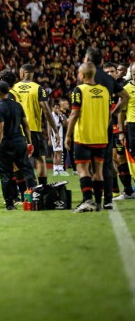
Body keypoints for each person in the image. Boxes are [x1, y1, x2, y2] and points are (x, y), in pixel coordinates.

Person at [83, 47, 130, 210]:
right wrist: (113, 112)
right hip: (106, 124)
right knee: (107, 162)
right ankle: (108, 199)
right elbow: (125, 96)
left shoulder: (86, 75)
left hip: (88, 124)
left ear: (88, 60)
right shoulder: (109, 79)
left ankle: (91, 199)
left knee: (89, 163)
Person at [66, 62, 111, 212]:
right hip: (101, 137)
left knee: (83, 169)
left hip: (84, 136)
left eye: (79, 73)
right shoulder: (105, 91)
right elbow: (109, 114)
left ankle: (87, 200)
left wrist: (68, 135)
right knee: (98, 170)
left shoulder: (79, 90)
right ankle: (98, 203)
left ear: (83, 75)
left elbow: (74, 114)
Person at [0, 81, 36, 210]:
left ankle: (10, 204)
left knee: (6, 175)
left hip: (6, 144)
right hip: (20, 142)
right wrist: (29, 142)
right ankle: (35, 200)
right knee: (28, 172)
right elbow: (26, 125)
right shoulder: (18, 105)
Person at [12, 64, 59, 186]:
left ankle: (23, 190)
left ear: (22, 73)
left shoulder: (14, 88)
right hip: (34, 129)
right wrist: (55, 130)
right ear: (33, 74)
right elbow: (47, 111)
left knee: (17, 161)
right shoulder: (39, 88)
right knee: (40, 158)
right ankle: (43, 188)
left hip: (17, 130)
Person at [104, 62, 134, 199]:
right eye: (107, 72)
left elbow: (124, 108)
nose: (109, 74)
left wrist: (122, 128)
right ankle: (117, 190)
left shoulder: (122, 87)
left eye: (112, 71)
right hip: (106, 128)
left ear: (117, 73)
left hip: (119, 128)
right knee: (112, 159)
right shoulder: (101, 88)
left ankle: (128, 190)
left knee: (120, 157)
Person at [48, 102, 69, 177]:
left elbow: (65, 124)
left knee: (60, 152)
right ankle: (56, 169)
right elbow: (49, 127)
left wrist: (62, 116)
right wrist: (49, 139)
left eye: (58, 108)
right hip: (54, 136)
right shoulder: (51, 116)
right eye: (55, 108)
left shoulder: (60, 115)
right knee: (56, 153)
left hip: (60, 135)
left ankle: (59, 169)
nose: (57, 109)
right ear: (52, 108)